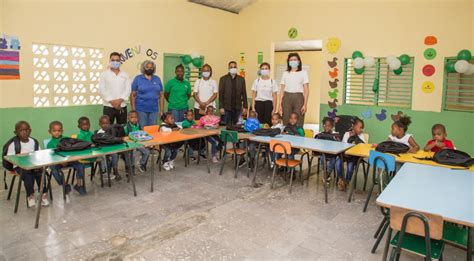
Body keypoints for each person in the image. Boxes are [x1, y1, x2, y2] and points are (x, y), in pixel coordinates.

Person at [5, 121, 48, 207]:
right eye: (21, 130)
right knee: (28, 174)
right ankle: (30, 196)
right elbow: (10, 158)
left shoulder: (34, 142)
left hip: (33, 165)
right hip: (19, 166)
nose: (24, 132)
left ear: (30, 130)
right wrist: (25, 164)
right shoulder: (14, 144)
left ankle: (43, 194)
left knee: (41, 172)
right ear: (16, 132)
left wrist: (39, 165)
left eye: (26, 130)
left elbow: (39, 154)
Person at [47, 121, 86, 195]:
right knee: (53, 169)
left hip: (69, 160)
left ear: (62, 131)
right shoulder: (50, 144)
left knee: (81, 165)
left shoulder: (66, 139)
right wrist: (61, 161)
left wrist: (68, 160)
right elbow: (52, 157)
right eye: (54, 131)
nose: (57, 132)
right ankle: (64, 185)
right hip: (58, 162)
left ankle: (78, 185)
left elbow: (71, 151)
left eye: (59, 131)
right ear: (50, 132)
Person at [99, 52, 131, 124]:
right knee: (107, 129)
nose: (115, 62)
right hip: (108, 106)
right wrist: (112, 102)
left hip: (122, 106)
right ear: (110, 61)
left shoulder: (125, 75)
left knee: (122, 129)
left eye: (117, 60)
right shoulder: (104, 75)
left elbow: (128, 89)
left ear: (120, 62)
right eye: (113, 60)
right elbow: (102, 90)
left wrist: (120, 100)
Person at [130, 60, 164, 127]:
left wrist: (161, 111)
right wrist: (133, 110)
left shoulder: (157, 79)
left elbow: (161, 95)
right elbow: (132, 95)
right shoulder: (138, 79)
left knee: (153, 129)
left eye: (151, 67)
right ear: (143, 68)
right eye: (147, 67)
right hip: (141, 110)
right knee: (143, 129)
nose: (149, 69)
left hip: (154, 109)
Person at [335, 118, 366, 191]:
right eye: (360, 127)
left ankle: (347, 181)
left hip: (354, 156)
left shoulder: (361, 136)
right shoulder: (347, 134)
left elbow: (363, 146)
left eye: (362, 128)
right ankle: (341, 179)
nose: (361, 129)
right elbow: (343, 146)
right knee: (338, 162)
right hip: (345, 155)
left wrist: (355, 136)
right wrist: (345, 153)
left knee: (350, 166)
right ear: (353, 126)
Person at [279, 53, 309, 125]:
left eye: (295, 60)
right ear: (288, 62)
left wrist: (305, 104)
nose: (293, 61)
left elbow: (306, 90)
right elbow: (281, 90)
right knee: (286, 118)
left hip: (298, 97)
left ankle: (298, 134)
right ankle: (286, 134)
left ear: (298, 61)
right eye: (291, 60)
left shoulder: (303, 73)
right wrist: (279, 105)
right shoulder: (285, 73)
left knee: (299, 118)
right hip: (286, 97)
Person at [219, 61, 248, 126]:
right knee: (225, 127)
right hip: (226, 108)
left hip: (237, 108)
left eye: (234, 67)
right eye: (231, 67)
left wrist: (245, 107)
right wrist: (221, 107)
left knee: (238, 127)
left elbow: (244, 94)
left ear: (237, 68)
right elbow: (221, 94)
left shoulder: (241, 79)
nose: (233, 68)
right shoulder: (223, 79)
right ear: (228, 68)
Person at [95, 115, 122, 180]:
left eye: (106, 123)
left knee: (115, 154)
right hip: (103, 151)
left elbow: (114, 140)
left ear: (109, 123)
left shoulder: (112, 130)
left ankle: (115, 170)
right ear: (100, 124)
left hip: (111, 149)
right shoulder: (99, 133)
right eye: (103, 123)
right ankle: (105, 171)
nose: (105, 125)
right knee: (106, 157)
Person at [315, 117, 340, 183]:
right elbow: (315, 142)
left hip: (332, 153)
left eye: (329, 126)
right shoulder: (320, 134)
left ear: (332, 126)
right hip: (323, 153)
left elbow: (339, 144)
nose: (326, 127)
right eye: (325, 125)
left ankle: (327, 173)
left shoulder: (335, 134)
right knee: (322, 158)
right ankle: (326, 173)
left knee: (333, 159)